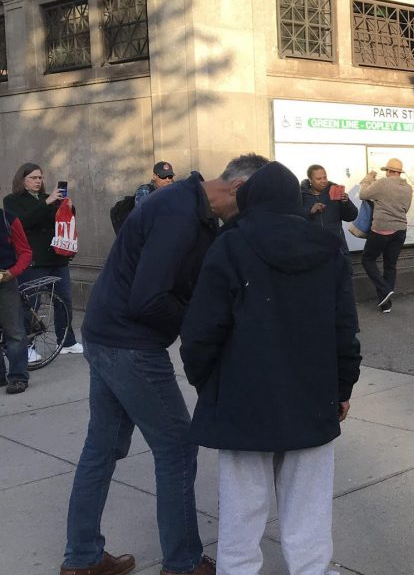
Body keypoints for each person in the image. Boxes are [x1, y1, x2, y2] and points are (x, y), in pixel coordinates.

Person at [62, 153, 267, 575]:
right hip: (129, 344)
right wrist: (199, 330)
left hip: (105, 334)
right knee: (176, 446)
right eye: (253, 204)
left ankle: (81, 559)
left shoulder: (191, 207)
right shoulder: (178, 212)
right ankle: (184, 562)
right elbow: (149, 298)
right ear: (238, 189)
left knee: (101, 449)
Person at [179, 162, 362, 575]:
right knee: (309, 500)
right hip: (313, 391)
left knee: (243, 503)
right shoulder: (327, 249)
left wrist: (206, 381)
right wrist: (343, 386)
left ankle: (238, 570)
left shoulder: (229, 246)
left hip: (243, 393)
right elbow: (344, 328)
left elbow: (201, 331)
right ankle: (312, 570)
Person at [4, 163, 83, 359]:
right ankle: (27, 345)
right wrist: (47, 202)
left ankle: (66, 341)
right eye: (33, 178)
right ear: (22, 180)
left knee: (64, 300)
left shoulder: (49, 199)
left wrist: (69, 208)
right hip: (34, 260)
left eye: (40, 178)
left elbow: (63, 221)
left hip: (56, 257)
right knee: (31, 303)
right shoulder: (12, 200)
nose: (38, 181)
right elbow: (21, 222)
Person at [359, 158, 413, 313]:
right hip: (400, 230)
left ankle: (384, 288)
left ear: (388, 171)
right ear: (399, 172)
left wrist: (368, 180)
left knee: (367, 259)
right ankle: (386, 304)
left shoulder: (382, 183)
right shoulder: (408, 188)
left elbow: (363, 194)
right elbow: (406, 208)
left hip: (381, 229)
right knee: (390, 265)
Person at [0, 207, 33, 394]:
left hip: (5, 282)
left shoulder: (9, 219)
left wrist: (12, 273)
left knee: (14, 332)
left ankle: (18, 377)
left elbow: (25, 252)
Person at [301, 163, 359, 255]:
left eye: (325, 177)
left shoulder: (335, 192)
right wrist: (310, 211)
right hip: (313, 247)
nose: (323, 181)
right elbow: (295, 219)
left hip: (336, 246)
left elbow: (351, 216)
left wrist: (346, 202)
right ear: (310, 180)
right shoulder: (301, 195)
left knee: (343, 268)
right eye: (319, 179)